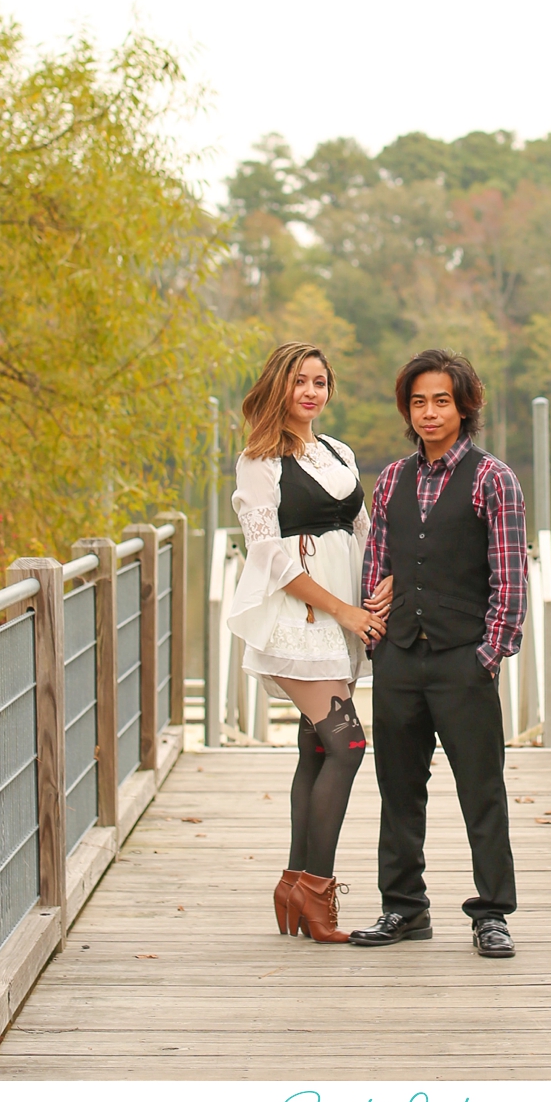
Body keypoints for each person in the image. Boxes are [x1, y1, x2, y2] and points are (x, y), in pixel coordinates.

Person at [350, 349, 526, 959]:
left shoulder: (492, 479)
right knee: (398, 788)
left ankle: (491, 913)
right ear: (408, 408)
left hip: (463, 659)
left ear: (464, 406)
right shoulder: (393, 479)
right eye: (419, 401)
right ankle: (404, 909)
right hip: (399, 658)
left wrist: (490, 653)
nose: (429, 412)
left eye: (441, 401)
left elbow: (509, 579)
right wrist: (376, 638)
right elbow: (379, 566)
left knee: (482, 790)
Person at [226, 342, 393, 943]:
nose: (311, 392)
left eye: (320, 382)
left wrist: (384, 580)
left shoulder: (337, 452)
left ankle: (294, 881)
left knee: (318, 750)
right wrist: (344, 611)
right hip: (299, 618)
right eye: (300, 381)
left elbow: (363, 528)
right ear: (279, 387)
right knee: (347, 746)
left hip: (344, 613)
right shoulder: (258, 461)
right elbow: (268, 557)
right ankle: (317, 892)